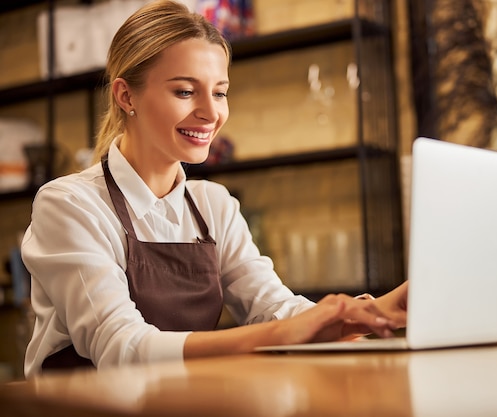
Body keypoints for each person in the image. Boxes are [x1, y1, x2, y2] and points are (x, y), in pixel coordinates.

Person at [20, 0, 408, 379]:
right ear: (126, 96)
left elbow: (274, 310)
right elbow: (121, 348)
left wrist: (382, 309)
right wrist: (276, 336)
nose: (211, 112)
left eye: (220, 92)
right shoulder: (70, 204)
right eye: (185, 92)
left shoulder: (214, 205)